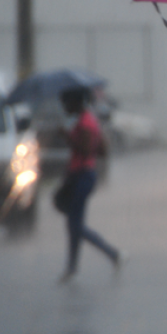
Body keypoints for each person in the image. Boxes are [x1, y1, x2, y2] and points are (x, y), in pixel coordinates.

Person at [58, 86, 123, 283]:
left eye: (67, 103)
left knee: (75, 226)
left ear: (75, 102)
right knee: (74, 224)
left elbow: (87, 150)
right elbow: (100, 149)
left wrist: (68, 136)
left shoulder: (85, 122)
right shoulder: (87, 120)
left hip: (83, 176)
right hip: (81, 175)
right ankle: (72, 267)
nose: (64, 107)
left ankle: (113, 254)